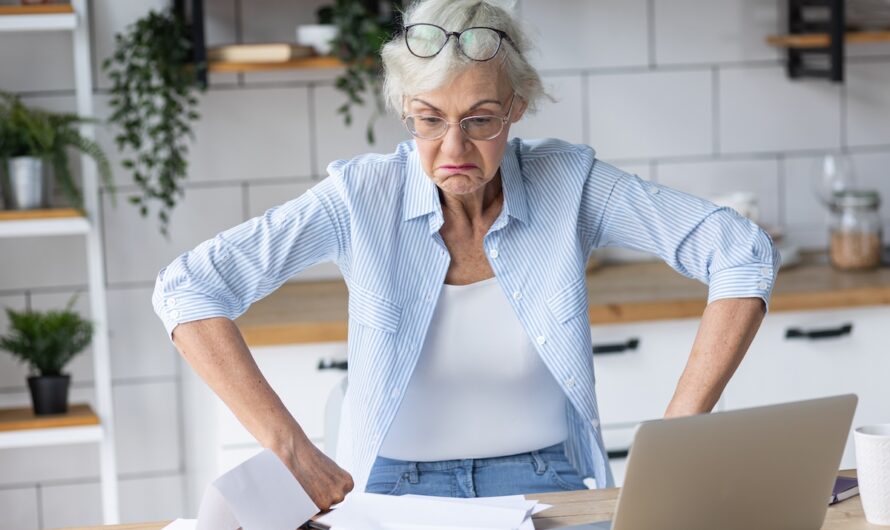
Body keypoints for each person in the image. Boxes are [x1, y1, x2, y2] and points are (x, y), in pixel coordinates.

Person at [152, 0, 779, 511]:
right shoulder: (359, 196)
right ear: (405, 111)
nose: (453, 146)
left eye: (481, 119)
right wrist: (290, 449)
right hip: (394, 495)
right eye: (429, 119)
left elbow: (740, 251)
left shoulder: (570, 184)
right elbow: (187, 288)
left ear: (516, 110)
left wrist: (675, 436)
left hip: (547, 487)